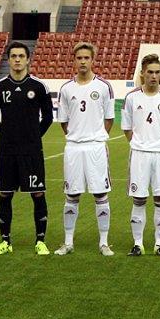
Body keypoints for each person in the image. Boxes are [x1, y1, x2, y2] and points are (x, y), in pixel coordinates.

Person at [0, 41, 53, 255]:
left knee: (38, 193)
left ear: (28, 59)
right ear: (8, 60)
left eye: (21, 56)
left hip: (32, 151)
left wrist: (33, 137)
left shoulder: (39, 86)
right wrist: (6, 134)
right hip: (7, 152)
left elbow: (48, 118)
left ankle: (40, 241)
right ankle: (5, 241)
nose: (17, 60)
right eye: (13, 56)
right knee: (5, 194)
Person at [54, 43, 115, 256]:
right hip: (73, 148)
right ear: (74, 60)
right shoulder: (66, 89)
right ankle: (68, 242)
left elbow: (109, 118)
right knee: (71, 194)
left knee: (100, 194)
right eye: (79, 57)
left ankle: (104, 243)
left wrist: (97, 137)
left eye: (86, 58)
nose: (82, 61)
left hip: (96, 147)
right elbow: (63, 121)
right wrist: (76, 136)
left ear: (92, 60)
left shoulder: (104, 87)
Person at [121, 53, 160, 256]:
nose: (154, 76)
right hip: (139, 154)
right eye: (150, 72)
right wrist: (140, 144)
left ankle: (159, 243)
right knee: (139, 198)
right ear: (142, 73)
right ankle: (138, 244)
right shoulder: (132, 97)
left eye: (157, 72)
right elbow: (127, 128)